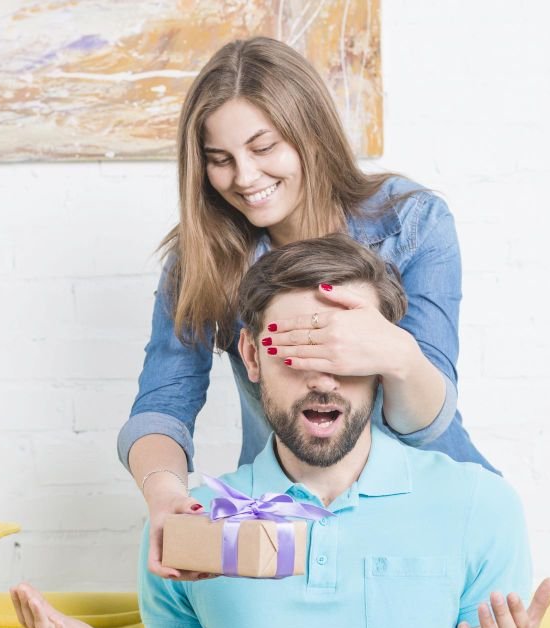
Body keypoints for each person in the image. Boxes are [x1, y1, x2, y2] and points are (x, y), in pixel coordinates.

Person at [14, 234, 550, 628]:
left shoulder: (476, 508)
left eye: (344, 352)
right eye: (295, 351)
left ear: (383, 357)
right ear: (251, 356)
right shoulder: (190, 526)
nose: (322, 379)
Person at [118, 37, 496, 582]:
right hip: (291, 524)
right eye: (220, 160)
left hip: (432, 513)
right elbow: (163, 404)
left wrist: (391, 352)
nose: (245, 177)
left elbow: (427, 421)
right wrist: (165, 494)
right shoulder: (203, 257)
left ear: (310, 130)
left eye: (263, 147)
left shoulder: (412, 224)